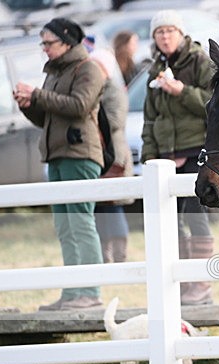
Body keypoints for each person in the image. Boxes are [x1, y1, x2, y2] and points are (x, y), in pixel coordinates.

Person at [14, 17, 105, 311]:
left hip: (80, 155)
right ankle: (71, 293)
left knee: (80, 224)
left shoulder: (88, 68)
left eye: (48, 43)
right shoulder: (54, 72)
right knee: (64, 227)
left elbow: (80, 106)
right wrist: (29, 106)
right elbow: (48, 118)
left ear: (67, 42)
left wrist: (38, 95)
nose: (44, 49)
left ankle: (89, 292)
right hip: (56, 155)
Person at [141, 10, 216, 306]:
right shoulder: (156, 67)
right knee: (169, 222)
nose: (165, 36)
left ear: (181, 33)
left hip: (196, 150)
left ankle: (201, 283)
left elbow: (214, 104)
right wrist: (149, 157)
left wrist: (182, 91)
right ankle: (181, 283)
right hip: (165, 158)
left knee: (196, 217)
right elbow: (150, 118)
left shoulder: (200, 61)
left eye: (170, 31)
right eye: (159, 32)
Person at [90, 49, 133, 265]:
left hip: (114, 156)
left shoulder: (114, 90)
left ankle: (120, 256)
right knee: (100, 209)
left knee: (114, 207)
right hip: (97, 155)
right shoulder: (93, 90)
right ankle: (104, 257)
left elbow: (115, 121)